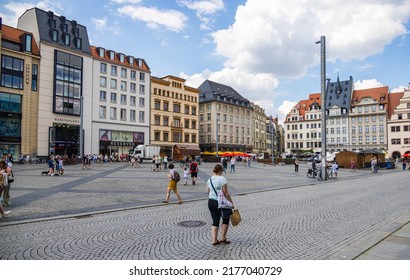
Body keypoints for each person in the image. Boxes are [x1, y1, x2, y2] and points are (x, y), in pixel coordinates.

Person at [206, 164, 234, 245]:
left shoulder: (210, 179)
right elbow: (226, 193)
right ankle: (223, 238)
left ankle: (214, 240)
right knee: (225, 218)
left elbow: (207, 191)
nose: (222, 172)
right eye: (222, 171)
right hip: (221, 202)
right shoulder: (222, 179)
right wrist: (231, 202)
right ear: (220, 170)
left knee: (215, 220)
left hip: (211, 201)